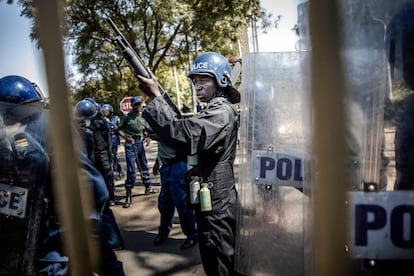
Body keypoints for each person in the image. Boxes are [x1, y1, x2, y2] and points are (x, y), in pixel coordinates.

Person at [0, 75, 124, 275]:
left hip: (63, 227)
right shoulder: (10, 137)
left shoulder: (51, 128)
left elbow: (90, 185)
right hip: (32, 234)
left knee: (104, 262)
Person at [138, 52, 240, 275]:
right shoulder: (213, 109)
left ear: (221, 80)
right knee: (212, 258)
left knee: (220, 264)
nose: (197, 86)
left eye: (204, 80)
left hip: (217, 205)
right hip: (211, 200)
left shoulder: (221, 112)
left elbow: (185, 134)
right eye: (195, 81)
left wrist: (156, 96)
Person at [74, 99, 125, 251]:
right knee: (104, 207)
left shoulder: (89, 131)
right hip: (106, 167)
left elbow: (89, 156)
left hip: (99, 170)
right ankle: (114, 240)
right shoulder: (103, 123)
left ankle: (112, 241)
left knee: (100, 210)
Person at [151, 136, 198, 250]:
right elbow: (161, 146)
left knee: (182, 203)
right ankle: (163, 232)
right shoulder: (159, 120)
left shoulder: (173, 121)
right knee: (164, 203)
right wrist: (158, 161)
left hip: (178, 164)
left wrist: (159, 136)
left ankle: (192, 235)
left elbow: (177, 138)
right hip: (166, 165)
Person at [118, 96, 156, 209]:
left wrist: (147, 137)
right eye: (136, 104)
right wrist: (127, 138)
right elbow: (118, 130)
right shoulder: (126, 117)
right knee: (131, 170)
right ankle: (128, 195)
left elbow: (146, 129)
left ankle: (148, 187)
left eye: (139, 104)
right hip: (130, 144)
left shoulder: (142, 117)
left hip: (139, 143)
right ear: (132, 106)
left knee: (143, 166)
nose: (138, 106)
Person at [101, 103, 124, 181]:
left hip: (114, 140)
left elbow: (116, 128)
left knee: (114, 156)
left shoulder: (115, 118)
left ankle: (118, 170)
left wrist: (110, 124)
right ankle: (112, 172)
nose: (105, 113)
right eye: (104, 111)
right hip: (107, 140)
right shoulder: (103, 120)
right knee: (109, 157)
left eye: (106, 111)